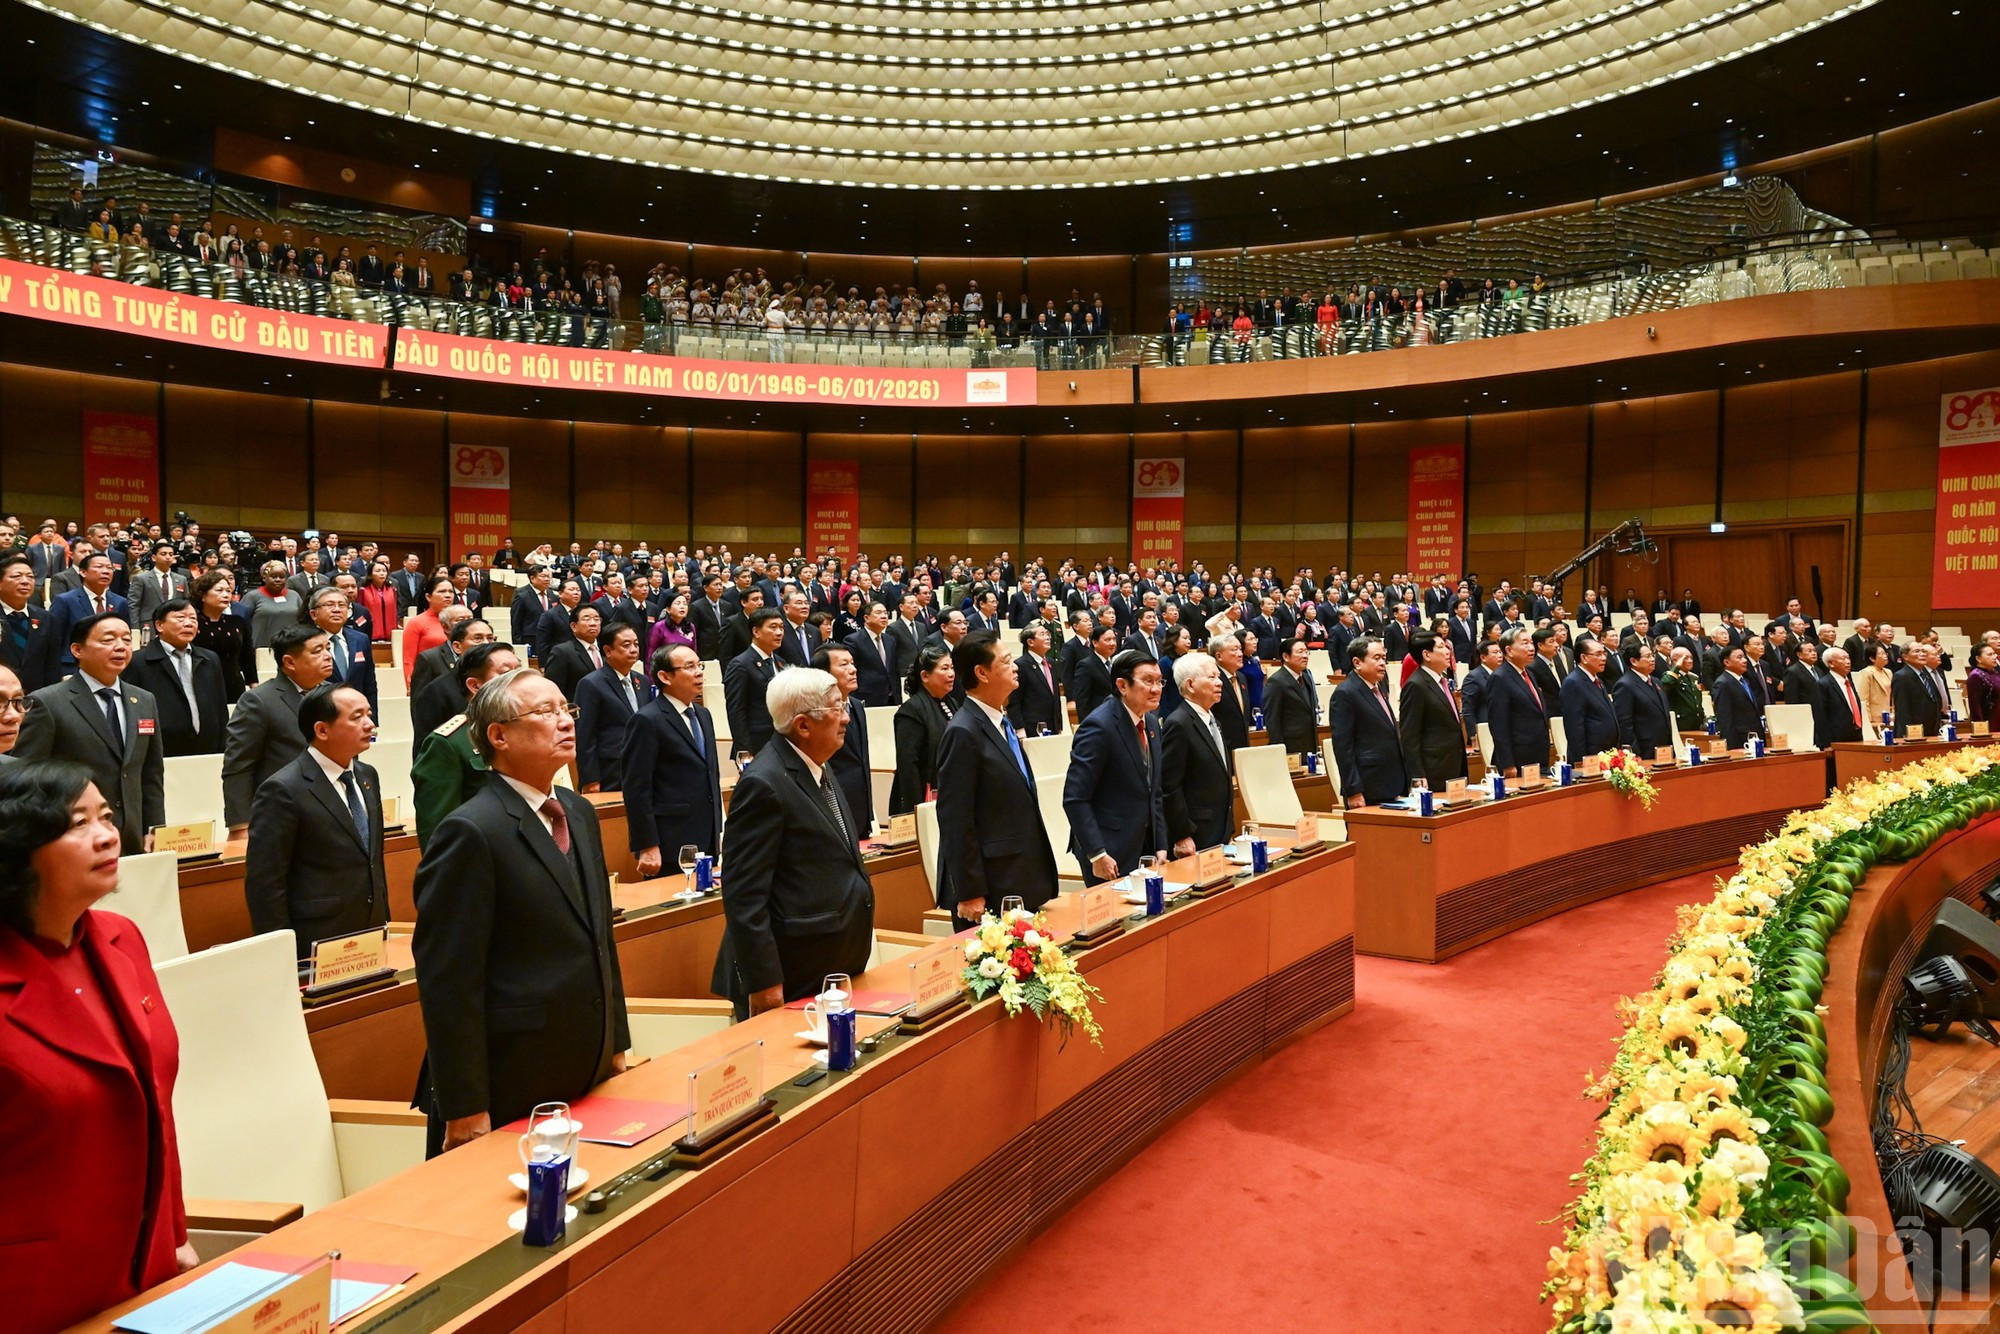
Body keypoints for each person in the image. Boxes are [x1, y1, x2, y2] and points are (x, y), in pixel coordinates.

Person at [0, 762, 195, 1333]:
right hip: (36, 1297)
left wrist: (175, 1234)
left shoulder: (121, 939)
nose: (107, 834)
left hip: (148, 1275)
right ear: (16, 852)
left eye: (106, 816)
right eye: (76, 823)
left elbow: (155, 1106)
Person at [413, 667, 629, 1156]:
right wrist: (465, 1103)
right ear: (498, 735)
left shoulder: (578, 812)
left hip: (583, 1060)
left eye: (566, 709)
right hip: (508, 1075)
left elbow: (600, 939)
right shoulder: (470, 830)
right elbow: (449, 979)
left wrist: (615, 1043)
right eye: (546, 712)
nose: (566, 721)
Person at [711, 668, 875, 1017]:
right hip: (791, 971)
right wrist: (764, 980)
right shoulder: (764, 783)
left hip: (827, 963)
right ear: (803, 725)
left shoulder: (818, 764)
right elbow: (744, 893)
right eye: (837, 708)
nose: (847, 718)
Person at [244, 683, 388, 958]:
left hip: (370, 928)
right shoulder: (283, 789)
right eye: (357, 717)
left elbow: (373, 859)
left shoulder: (368, 776)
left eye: (369, 714)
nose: (370, 724)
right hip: (315, 939)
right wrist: (278, 951)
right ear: (322, 730)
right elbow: (265, 883)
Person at [933, 632, 1058, 925]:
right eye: (1005, 661)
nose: (1015, 666)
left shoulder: (1001, 722)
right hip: (990, 886)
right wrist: (970, 891)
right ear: (982, 673)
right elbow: (955, 818)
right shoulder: (963, 731)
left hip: (1021, 874)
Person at [14, 614, 165, 853]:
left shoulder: (145, 700)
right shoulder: (47, 702)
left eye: (126, 640)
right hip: (73, 838)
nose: (120, 647)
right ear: (77, 650)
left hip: (133, 838)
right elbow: (28, 780)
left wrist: (156, 828)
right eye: (108, 640)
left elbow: (151, 773)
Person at [1063, 649, 1167, 886]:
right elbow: (1075, 798)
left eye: (1159, 681)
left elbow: (1154, 791)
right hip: (1108, 848)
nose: (1156, 688)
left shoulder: (1150, 721)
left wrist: (1161, 843)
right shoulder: (1099, 726)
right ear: (1122, 685)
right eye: (1148, 681)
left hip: (1145, 844)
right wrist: (1097, 853)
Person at [221, 623, 332, 835]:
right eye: (317, 651)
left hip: (331, 807)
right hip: (281, 812)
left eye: (328, 648)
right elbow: (239, 766)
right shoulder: (258, 700)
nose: (327, 655)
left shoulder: (336, 695)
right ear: (289, 662)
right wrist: (240, 825)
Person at [624, 644, 722, 879]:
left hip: (707, 835)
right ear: (665, 676)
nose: (699, 672)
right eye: (689, 667)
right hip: (669, 841)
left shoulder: (703, 714)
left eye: (700, 665)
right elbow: (636, 787)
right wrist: (647, 845)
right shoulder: (647, 720)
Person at [411, 643, 519, 848]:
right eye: (506, 672)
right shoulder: (448, 742)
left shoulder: (525, 730)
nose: (519, 679)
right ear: (475, 685)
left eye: (518, 670)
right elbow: (438, 831)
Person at [124, 598, 227, 756]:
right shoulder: (137, 662)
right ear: (159, 625)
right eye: (180, 618)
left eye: (193, 618)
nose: (189, 623)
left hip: (208, 748)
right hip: (161, 751)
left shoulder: (210, 659)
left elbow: (220, 708)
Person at [1160, 650, 1235, 854]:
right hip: (1196, 833)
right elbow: (1169, 786)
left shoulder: (1213, 721)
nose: (1219, 683)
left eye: (1218, 677)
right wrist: (1181, 834)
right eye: (1211, 677)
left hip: (1221, 829)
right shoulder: (1178, 723)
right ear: (1191, 685)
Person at [1327, 636, 1407, 806]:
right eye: (1376, 658)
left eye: (1384, 658)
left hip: (1390, 781)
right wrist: (1353, 789)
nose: (1383, 663)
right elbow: (1343, 747)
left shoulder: (1377, 686)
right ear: (1357, 662)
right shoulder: (1345, 693)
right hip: (1367, 786)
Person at [574, 623, 648, 793]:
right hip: (611, 770)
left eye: (636, 644)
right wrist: (590, 778)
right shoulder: (591, 683)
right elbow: (585, 735)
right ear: (608, 650)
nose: (634, 649)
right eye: (626, 645)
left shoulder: (642, 681)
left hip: (642, 767)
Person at [813, 643, 875, 838]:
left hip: (861, 807)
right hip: (834, 806)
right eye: (844, 664)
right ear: (825, 674)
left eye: (853, 663)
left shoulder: (856, 705)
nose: (853, 669)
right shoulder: (817, 712)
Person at [890, 642, 956, 815]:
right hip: (924, 797)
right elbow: (908, 765)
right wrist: (917, 810)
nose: (951, 674)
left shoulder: (950, 702)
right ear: (925, 676)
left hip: (951, 790)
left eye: (952, 668)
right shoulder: (911, 710)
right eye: (944, 669)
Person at [1396, 629, 1466, 791]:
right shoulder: (1416, 685)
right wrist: (1417, 774)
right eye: (1441, 647)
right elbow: (1410, 735)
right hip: (1433, 770)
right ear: (1427, 655)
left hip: (1453, 764)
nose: (1448, 651)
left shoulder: (1441, 681)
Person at [1486, 625, 1550, 777]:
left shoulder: (1528, 673)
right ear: (1509, 650)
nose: (1531, 647)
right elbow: (1498, 725)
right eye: (1524, 643)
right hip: (1517, 757)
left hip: (1537, 752)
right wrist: (1508, 763)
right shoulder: (1499, 677)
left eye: (1531, 643)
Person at [724, 607, 786, 755]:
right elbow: (736, 711)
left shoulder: (780, 662)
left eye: (781, 627)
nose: (779, 632)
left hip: (781, 740)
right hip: (757, 743)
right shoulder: (740, 664)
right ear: (756, 632)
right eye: (773, 627)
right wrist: (744, 751)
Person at [310, 585, 378, 715]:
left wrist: (372, 719)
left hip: (356, 715)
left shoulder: (360, 639)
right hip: (321, 714)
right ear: (314, 614)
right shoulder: (305, 641)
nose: (337, 610)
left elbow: (369, 683)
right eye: (330, 605)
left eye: (342, 605)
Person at [193, 570, 256, 702]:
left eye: (228, 591)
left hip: (234, 684)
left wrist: (253, 684)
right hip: (201, 684)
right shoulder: (193, 623)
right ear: (203, 595)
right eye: (219, 590)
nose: (226, 595)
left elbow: (247, 656)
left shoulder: (238, 621)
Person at [1559, 636, 1621, 764]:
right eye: (1598, 654)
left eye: (1604, 653)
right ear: (1584, 658)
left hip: (1607, 752)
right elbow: (1574, 727)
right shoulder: (1573, 682)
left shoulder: (1598, 680)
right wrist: (1581, 761)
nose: (1604, 658)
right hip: (1589, 755)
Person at [1612, 642, 1676, 756]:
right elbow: (1624, 724)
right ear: (1633, 661)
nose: (1652, 659)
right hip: (1643, 749)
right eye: (1647, 656)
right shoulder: (1625, 685)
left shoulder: (1656, 681)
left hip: (1664, 746)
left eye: (1652, 655)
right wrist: (1634, 753)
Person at [1261, 638, 1320, 756]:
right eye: (1300, 652)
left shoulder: (1307, 677)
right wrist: (1279, 751)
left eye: (1306, 651)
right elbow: (1272, 721)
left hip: (1309, 744)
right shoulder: (1276, 681)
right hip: (1290, 747)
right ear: (1286, 657)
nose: (1305, 656)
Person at [1007, 621, 1065, 736]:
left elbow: (1055, 697)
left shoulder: (1051, 663)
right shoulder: (1021, 666)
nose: (1048, 637)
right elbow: (1014, 701)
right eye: (1042, 634)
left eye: (1047, 634)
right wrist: (1019, 728)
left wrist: (1059, 724)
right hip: (1031, 728)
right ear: (1030, 642)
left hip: (1053, 725)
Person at [543, 602, 606, 700]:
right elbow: (553, 690)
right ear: (573, 626)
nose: (593, 623)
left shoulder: (606, 649)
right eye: (587, 619)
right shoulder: (562, 652)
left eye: (596, 619)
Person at [408, 605, 474, 698]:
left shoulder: (486, 656)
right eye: (461, 620)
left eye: (470, 619)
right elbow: (419, 703)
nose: (468, 624)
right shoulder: (430, 659)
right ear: (445, 627)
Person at [845, 599, 901, 708]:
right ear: (866, 618)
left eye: (885, 613)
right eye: (878, 613)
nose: (884, 616)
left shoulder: (890, 640)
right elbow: (851, 671)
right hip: (867, 697)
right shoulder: (853, 640)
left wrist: (898, 697)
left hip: (891, 697)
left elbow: (894, 670)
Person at [400, 577, 456, 685]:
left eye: (451, 591)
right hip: (428, 679)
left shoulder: (459, 622)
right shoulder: (416, 622)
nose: (448, 595)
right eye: (442, 591)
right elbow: (409, 660)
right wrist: (410, 686)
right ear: (428, 597)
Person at [1709, 645, 1766, 750]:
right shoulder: (1722, 683)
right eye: (1739, 657)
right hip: (1739, 740)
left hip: (1754, 736)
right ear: (1727, 662)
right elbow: (1725, 717)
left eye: (1744, 657)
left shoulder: (1744, 681)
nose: (1745, 661)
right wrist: (1731, 746)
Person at [1891, 643, 1944, 738]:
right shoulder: (1901, 676)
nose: (1922, 654)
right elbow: (1902, 709)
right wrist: (1910, 734)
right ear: (1905, 656)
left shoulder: (1926, 674)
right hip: (1913, 733)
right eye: (1917, 651)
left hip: (1931, 731)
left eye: (1923, 651)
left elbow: (1936, 700)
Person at [1820, 647, 1867, 745]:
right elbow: (1820, 717)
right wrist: (1826, 744)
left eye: (1848, 658)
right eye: (1842, 658)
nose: (1848, 662)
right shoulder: (1823, 684)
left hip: (1855, 734)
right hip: (1836, 738)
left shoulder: (1849, 681)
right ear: (1831, 663)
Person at [1660, 645, 1705, 734]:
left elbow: (1697, 701)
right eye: (1685, 658)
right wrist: (1677, 667)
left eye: (1691, 658)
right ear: (1676, 660)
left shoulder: (1693, 677)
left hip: (1697, 723)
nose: (1690, 661)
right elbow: (1667, 682)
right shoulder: (1671, 676)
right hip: (1681, 724)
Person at [1855, 641, 1895, 729]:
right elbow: (1863, 699)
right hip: (1875, 717)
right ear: (1872, 658)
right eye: (1881, 654)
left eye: (1885, 653)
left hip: (1890, 716)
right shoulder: (1866, 672)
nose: (1885, 656)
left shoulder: (1888, 672)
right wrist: (1867, 721)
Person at [1964, 642, 2000, 724]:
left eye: (1994, 654)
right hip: (1989, 723)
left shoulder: (1995, 672)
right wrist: (1979, 725)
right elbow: (1975, 705)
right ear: (1978, 659)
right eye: (1989, 654)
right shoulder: (1975, 675)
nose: (1994, 657)